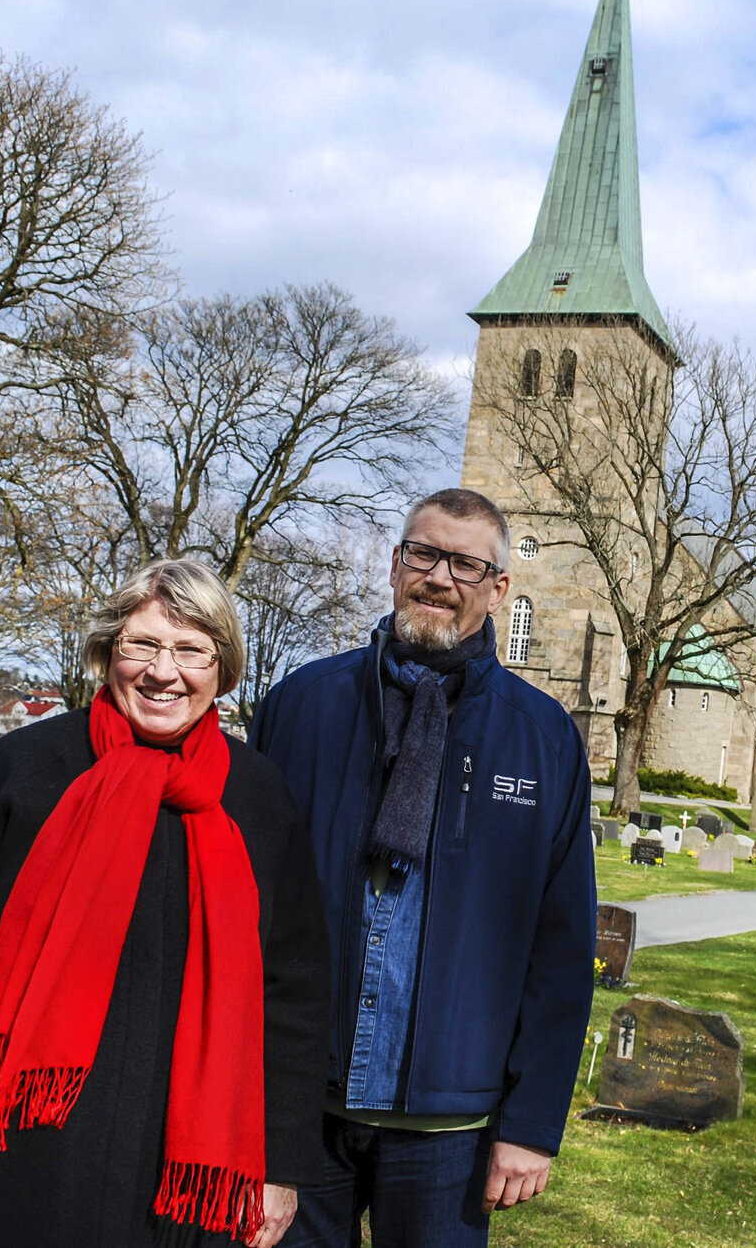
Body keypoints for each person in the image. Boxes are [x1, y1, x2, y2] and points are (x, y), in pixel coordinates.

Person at [0, 559, 330, 1248]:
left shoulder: (260, 801)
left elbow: (293, 995)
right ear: (106, 652)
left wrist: (279, 1165)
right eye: (141, 643)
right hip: (1, 1152)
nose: (162, 671)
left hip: (181, 1176)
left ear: (224, 669)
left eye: (189, 650)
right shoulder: (21, 770)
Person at [253, 487, 595, 1247]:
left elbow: (562, 947)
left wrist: (533, 1122)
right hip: (300, 1106)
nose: (439, 576)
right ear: (396, 562)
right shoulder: (303, 705)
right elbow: (245, 904)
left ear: (499, 587)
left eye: (466, 563)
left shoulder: (543, 738)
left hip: (452, 1125)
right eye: (423, 553)